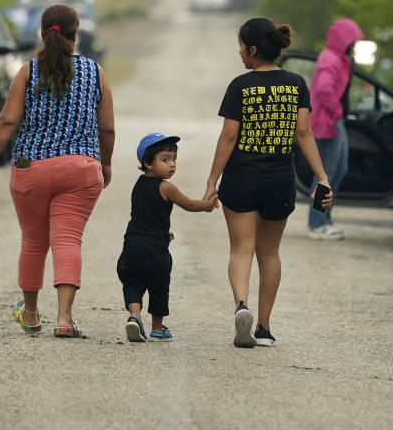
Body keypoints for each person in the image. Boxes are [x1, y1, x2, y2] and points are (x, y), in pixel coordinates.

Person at [0, 3, 114, 339]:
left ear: (42, 34)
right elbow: (107, 128)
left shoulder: (27, 71)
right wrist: (106, 162)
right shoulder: (94, 72)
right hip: (81, 168)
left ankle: (32, 314)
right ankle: (65, 320)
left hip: (30, 167)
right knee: (68, 240)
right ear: (75, 34)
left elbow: (8, 120)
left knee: (34, 243)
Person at [204, 18, 332, 348]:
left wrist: (211, 180)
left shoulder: (240, 86)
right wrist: (322, 178)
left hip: (242, 179)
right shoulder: (296, 84)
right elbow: (303, 133)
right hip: (279, 178)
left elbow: (229, 135)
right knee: (270, 253)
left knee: (241, 249)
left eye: (241, 48)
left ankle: (241, 306)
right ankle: (263, 327)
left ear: (253, 49)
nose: (239, 54)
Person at [117, 133, 218, 342]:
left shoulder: (138, 185)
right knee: (158, 286)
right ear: (147, 162)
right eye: (165, 159)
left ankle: (134, 317)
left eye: (174, 159)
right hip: (155, 252)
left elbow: (145, 214)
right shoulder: (166, 187)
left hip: (132, 247)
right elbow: (190, 205)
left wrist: (164, 230)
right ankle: (157, 327)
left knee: (133, 283)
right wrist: (207, 205)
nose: (172, 165)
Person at [307, 18, 363, 240]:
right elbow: (324, 89)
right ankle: (317, 223)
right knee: (325, 174)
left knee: (338, 169)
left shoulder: (339, 59)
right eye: (353, 40)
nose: (355, 45)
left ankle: (324, 219)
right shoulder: (330, 59)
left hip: (332, 120)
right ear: (344, 41)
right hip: (326, 121)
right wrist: (337, 110)